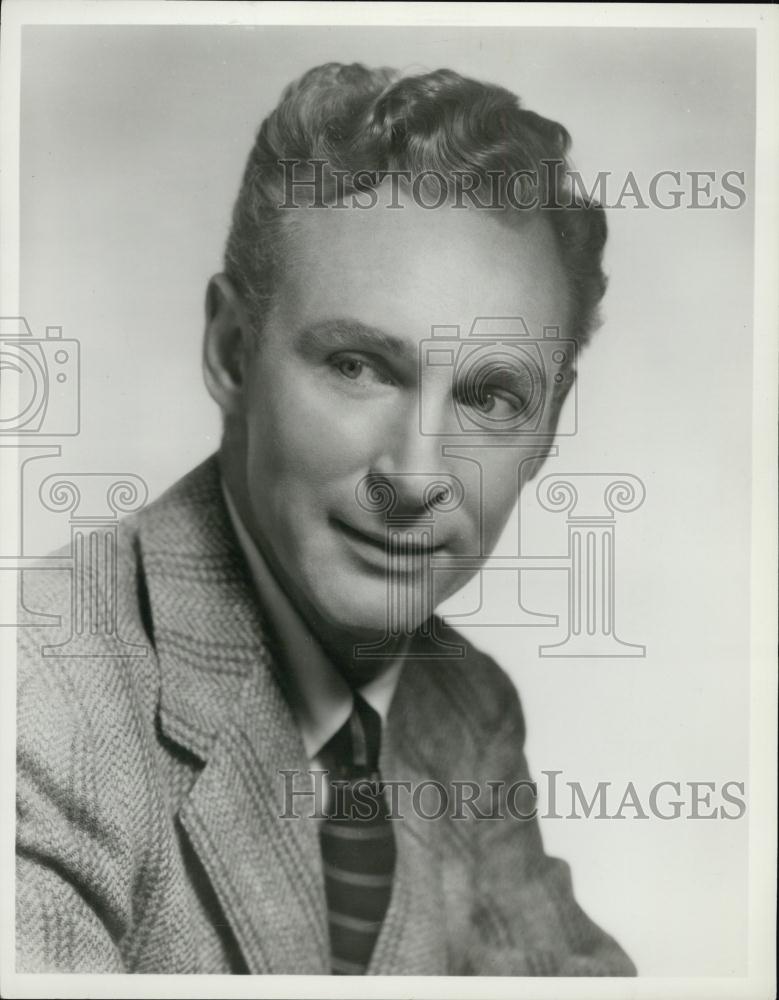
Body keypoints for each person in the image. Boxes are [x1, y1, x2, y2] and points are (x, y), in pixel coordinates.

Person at [16, 62, 636, 976]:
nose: (416, 477)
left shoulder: (466, 709)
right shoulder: (40, 688)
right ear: (232, 353)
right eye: (358, 366)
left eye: (491, 397)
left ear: (549, 428)